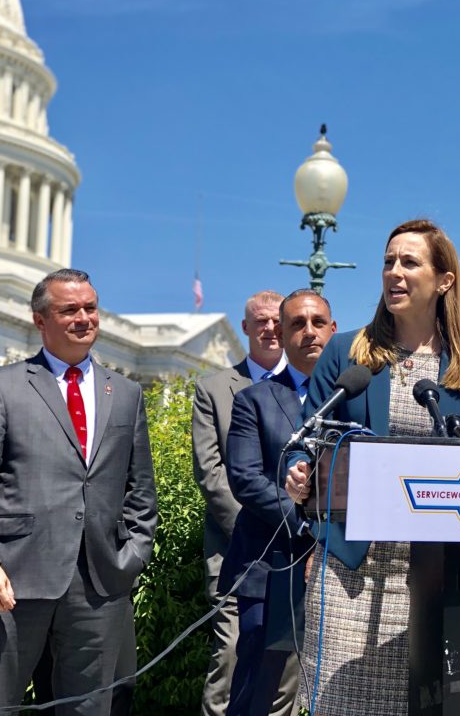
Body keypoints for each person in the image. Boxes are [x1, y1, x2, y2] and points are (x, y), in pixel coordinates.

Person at [286, 219, 460, 715]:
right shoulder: (347, 353)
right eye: (388, 262)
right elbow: (305, 437)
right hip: (347, 567)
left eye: (409, 262)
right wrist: (297, 473)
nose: (394, 273)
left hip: (431, 578)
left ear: (444, 280)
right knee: (336, 703)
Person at [0, 268, 158, 716]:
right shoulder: (4, 387)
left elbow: (140, 487)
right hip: (14, 579)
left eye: (90, 308)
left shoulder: (125, 392)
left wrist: (133, 555)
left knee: (87, 707)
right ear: (40, 321)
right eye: (70, 310)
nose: (84, 318)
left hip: (100, 582)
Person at [221, 289, 334, 716]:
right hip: (270, 568)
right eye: (296, 325)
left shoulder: (359, 402)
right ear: (281, 336)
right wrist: (310, 526)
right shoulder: (254, 400)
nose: (309, 332)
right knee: (256, 691)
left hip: (344, 568)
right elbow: (246, 480)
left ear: (333, 331)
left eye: (317, 323)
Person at [192, 290, 290, 716]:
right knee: (230, 662)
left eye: (276, 320)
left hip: (298, 553)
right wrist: (261, 528)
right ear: (246, 328)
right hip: (239, 553)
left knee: (286, 670)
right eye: (260, 321)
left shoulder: (311, 388)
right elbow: (212, 474)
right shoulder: (214, 389)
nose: (270, 328)